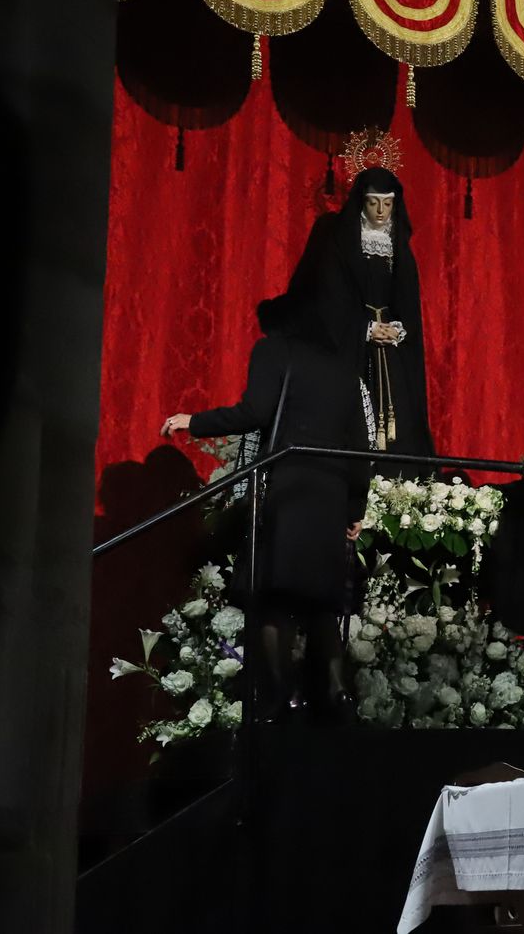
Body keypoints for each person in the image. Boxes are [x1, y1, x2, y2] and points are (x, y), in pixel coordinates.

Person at [160, 225, 375, 722]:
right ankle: (338, 698)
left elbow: (255, 410)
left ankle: (275, 703)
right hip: (329, 494)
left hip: (290, 488)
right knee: (321, 606)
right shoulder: (344, 369)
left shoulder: (275, 350)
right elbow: (359, 445)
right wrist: (355, 507)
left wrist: (195, 421)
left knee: (275, 602)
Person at [312, 167, 434, 472]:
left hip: (390, 352)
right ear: (361, 203)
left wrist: (397, 328)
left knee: (401, 422)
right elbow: (327, 300)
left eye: (387, 203)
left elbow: (406, 302)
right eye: (373, 203)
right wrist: (365, 330)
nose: (380, 211)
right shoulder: (339, 245)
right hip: (352, 347)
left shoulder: (398, 248)